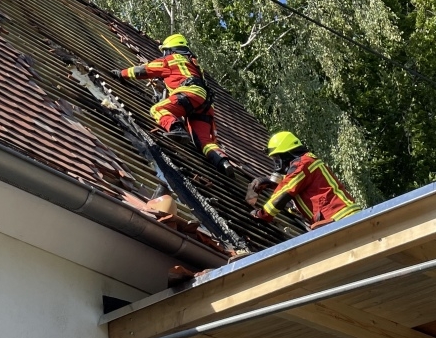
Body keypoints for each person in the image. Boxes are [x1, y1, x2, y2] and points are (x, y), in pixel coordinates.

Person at [111, 34, 233, 174]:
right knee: (203, 141)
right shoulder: (193, 65)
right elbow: (177, 84)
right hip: (205, 104)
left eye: (165, 51)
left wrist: (121, 73)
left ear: (170, 50)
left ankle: (177, 129)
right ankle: (223, 162)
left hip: (190, 94)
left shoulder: (171, 60)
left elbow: (144, 70)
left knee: (157, 109)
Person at [249, 131, 361, 229]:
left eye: (277, 159)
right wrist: (271, 183)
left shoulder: (303, 163)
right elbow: (294, 184)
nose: (277, 164)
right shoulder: (307, 163)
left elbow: (285, 192)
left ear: (286, 155)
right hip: (343, 217)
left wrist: (262, 214)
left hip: (341, 217)